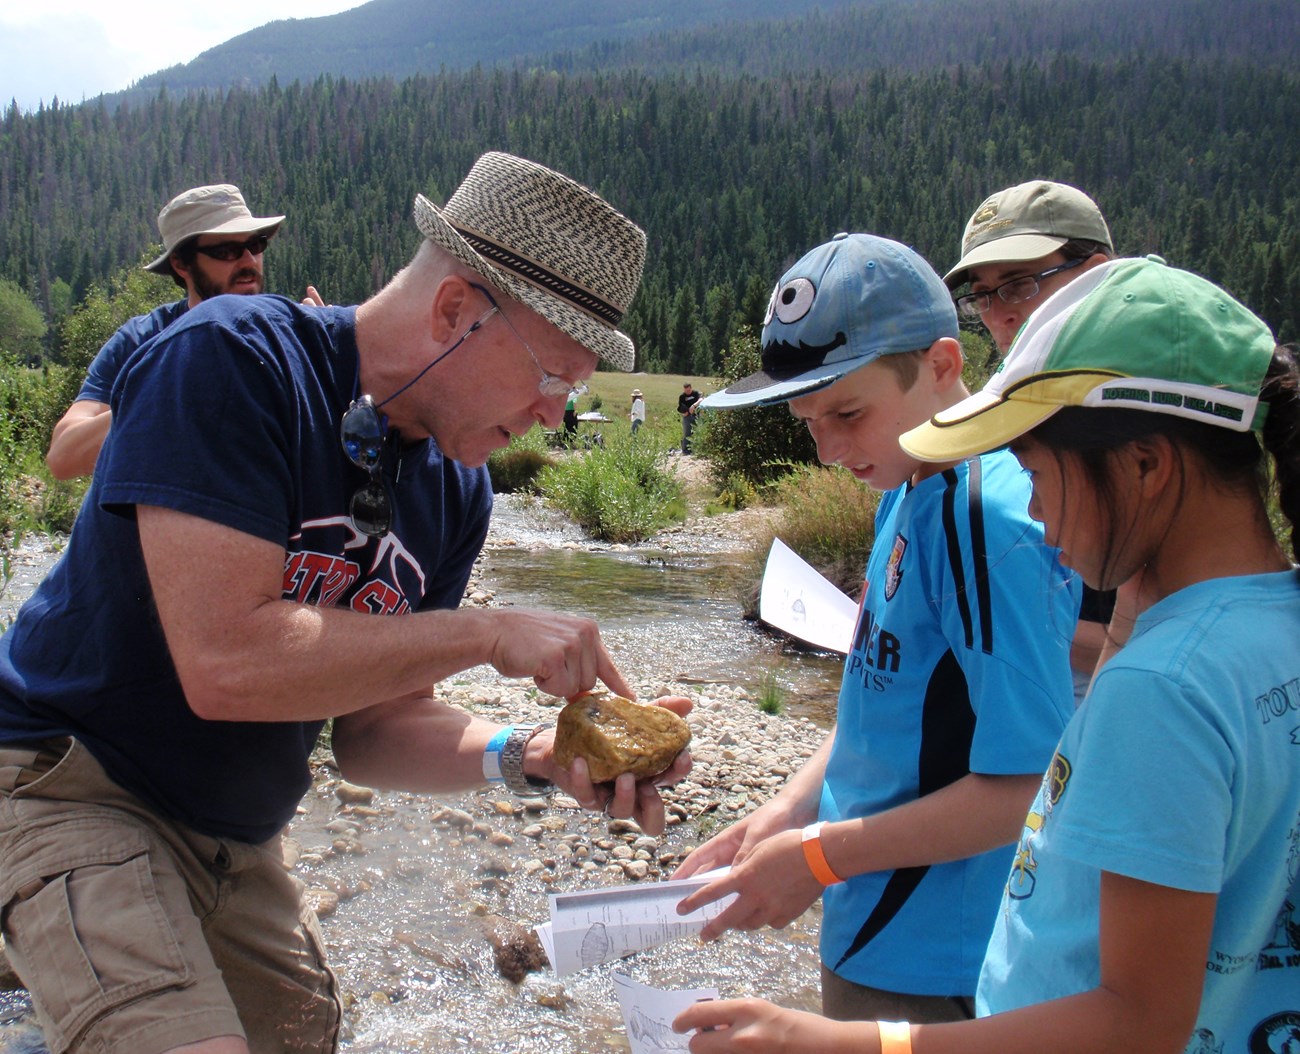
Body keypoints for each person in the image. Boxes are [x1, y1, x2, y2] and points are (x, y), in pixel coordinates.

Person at [0, 151, 691, 1054]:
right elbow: (228, 665)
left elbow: (372, 732)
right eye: (555, 378)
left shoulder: (457, 492)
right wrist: (482, 634)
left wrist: (528, 753)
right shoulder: (232, 361)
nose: (556, 415)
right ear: (454, 313)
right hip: (76, 786)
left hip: (234, 840)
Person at [674, 255, 1300, 1053]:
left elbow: (1137, 1013)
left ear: (1146, 463)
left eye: (1037, 471)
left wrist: (843, 1033)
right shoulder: (1245, 632)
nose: (1035, 511)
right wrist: (797, 813)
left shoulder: (1157, 681)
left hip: (940, 956)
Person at [674, 233, 1078, 1024]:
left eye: (848, 413)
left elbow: (1027, 786)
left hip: (945, 961)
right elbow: (881, 690)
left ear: (942, 364)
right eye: (807, 421)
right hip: (872, 925)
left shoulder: (988, 521)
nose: (827, 450)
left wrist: (818, 856)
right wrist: (791, 810)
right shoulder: (909, 480)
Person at [945, 179, 1117, 700]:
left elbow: (1167, 638)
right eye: (981, 295)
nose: (999, 313)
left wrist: (961, 622)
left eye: (1020, 284)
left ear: (1095, 274)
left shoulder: (1143, 428)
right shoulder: (1004, 419)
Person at [44, 183, 315, 480]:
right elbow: (63, 457)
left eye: (256, 245)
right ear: (181, 263)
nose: (249, 261)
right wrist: (168, 391)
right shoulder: (140, 339)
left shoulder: (290, 332)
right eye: (227, 251)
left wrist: (324, 352)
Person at [678, 381, 702, 454]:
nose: (687, 392)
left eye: (688, 390)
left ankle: (697, 448)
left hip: (696, 415)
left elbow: (701, 399)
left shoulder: (696, 394)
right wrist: (684, 413)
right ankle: (686, 450)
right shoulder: (682, 397)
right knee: (687, 433)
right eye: (686, 390)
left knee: (697, 432)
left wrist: (694, 406)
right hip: (687, 416)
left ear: (691, 388)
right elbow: (680, 407)